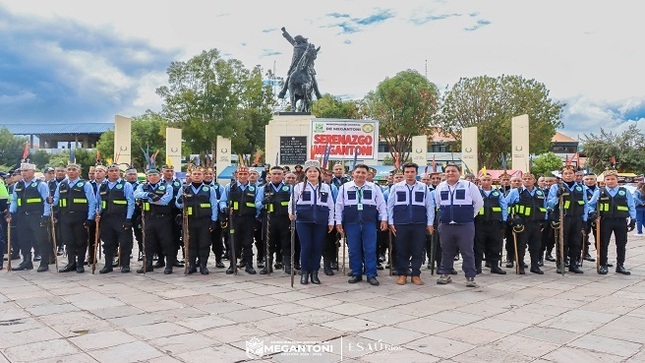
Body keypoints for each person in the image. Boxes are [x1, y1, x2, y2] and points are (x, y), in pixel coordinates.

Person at [336, 164, 387, 286]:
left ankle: (371, 274)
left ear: (367, 174)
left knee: (370, 249)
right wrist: (338, 221)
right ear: (353, 173)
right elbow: (339, 206)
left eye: (363, 173)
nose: (360, 175)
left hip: (369, 222)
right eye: (358, 172)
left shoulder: (374, 187)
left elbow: (381, 205)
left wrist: (384, 219)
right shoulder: (345, 187)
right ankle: (356, 273)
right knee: (354, 249)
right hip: (351, 222)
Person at [433, 164, 483, 287]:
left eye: (453, 171)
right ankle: (445, 274)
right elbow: (439, 204)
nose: (450, 173)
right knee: (446, 251)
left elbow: (479, 203)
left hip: (465, 225)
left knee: (467, 251)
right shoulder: (440, 187)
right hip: (446, 225)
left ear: (459, 172)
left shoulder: (469, 186)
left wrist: (469, 216)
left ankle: (470, 276)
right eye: (448, 171)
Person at [388, 162, 435, 285]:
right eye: (407, 172)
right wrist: (391, 222)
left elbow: (430, 206)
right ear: (403, 173)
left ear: (416, 173)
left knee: (417, 250)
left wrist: (429, 223)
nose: (409, 174)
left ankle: (415, 274)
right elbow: (390, 206)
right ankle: (402, 274)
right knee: (401, 249)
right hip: (401, 223)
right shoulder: (396, 187)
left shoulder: (423, 187)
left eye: (412, 172)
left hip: (419, 223)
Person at [289, 160, 334, 285]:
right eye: (310, 171)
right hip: (303, 221)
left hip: (321, 221)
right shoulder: (298, 187)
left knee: (317, 247)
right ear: (306, 173)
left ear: (319, 173)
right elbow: (292, 202)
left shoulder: (326, 187)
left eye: (315, 171)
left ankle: (314, 272)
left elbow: (331, 205)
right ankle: (304, 272)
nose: (313, 173)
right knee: (306, 246)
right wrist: (291, 212)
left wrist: (331, 221)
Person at [587, 170, 636, 275]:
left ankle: (620, 265)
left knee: (621, 244)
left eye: (613, 179)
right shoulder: (599, 192)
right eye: (608, 179)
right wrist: (592, 213)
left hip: (621, 221)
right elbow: (590, 205)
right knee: (603, 243)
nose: (610, 181)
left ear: (617, 180)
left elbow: (631, 206)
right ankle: (603, 264)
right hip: (605, 221)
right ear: (604, 181)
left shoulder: (625, 191)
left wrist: (633, 219)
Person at [53, 163, 97, 273]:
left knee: (81, 241)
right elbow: (56, 200)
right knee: (68, 241)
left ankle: (80, 264)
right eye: (69, 169)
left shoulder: (85, 184)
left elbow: (92, 202)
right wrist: (50, 202)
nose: (71, 171)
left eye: (74, 169)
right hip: (65, 217)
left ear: (79, 172)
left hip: (80, 217)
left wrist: (90, 218)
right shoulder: (62, 185)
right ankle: (71, 263)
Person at [6, 162, 50, 271]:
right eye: (22, 171)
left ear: (33, 171)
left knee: (41, 240)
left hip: (36, 215)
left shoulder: (41, 184)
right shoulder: (18, 185)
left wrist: (46, 215)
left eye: (26, 171)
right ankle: (26, 261)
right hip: (22, 216)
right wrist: (11, 212)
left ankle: (44, 262)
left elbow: (47, 202)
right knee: (23, 239)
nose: (23, 173)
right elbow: (14, 200)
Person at [219, 166, 263, 275]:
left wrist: (257, 218)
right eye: (240, 174)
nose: (242, 176)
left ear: (248, 175)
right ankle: (232, 265)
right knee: (233, 242)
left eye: (245, 174)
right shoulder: (230, 187)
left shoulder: (255, 188)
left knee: (248, 243)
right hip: (234, 219)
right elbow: (223, 201)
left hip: (249, 219)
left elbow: (258, 203)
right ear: (236, 176)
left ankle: (249, 265)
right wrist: (224, 208)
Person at [175, 166, 218, 275]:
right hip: (189, 221)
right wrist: (181, 200)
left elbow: (214, 205)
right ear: (191, 176)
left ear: (203, 176)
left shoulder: (209, 189)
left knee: (204, 243)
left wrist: (214, 221)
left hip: (204, 221)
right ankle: (192, 265)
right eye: (195, 174)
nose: (197, 176)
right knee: (190, 243)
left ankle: (203, 265)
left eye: (199, 174)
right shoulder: (184, 188)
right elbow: (178, 204)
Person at [547, 166, 587, 274]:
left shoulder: (581, 187)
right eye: (566, 174)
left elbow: (585, 203)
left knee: (576, 242)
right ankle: (561, 263)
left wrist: (585, 219)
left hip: (577, 217)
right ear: (562, 175)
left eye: (570, 173)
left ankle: (573, 264)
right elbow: (549, 203)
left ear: (575, 175)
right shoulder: (556, 187)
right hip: (562, 217)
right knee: (562, 241)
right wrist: (557, 196)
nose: (568, 175)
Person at [133, 169, 175, 274]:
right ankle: (148, 264)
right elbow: (136, 194)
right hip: (148, 218)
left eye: (155, 175)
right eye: (150, 175)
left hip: (163, 219)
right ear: (147, 177)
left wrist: (147, 200)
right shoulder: (143, 187)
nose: (152, 177)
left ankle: (169, 265)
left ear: (160, 175)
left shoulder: (167, 186)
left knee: (166, 242)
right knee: (148, 242)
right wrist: (149, 195)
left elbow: (165, 201)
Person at [96, 164, 135, 273]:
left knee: (124, 243)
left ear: (119, 172)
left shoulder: (126, 185)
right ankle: (108, 265)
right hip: (106, 219)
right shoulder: (102, 186)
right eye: (111, 171)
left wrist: (128, 219)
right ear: (107, 173)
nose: (114, 173)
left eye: (116, 171)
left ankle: (125, 264)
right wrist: (98, 213)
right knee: (108, 243)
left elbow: (130, 203)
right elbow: (99, 202)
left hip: (121, 218)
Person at [505, 173, 547, 274]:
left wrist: (545, 220)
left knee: (536, 246)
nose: (527, 180)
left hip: (536, 223)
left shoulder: (540, 192)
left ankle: (535, 266)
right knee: (521, 245)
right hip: (522, 223)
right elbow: (506, 205)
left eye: (529, 179)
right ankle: (520, 265)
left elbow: (544, 207)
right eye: (525, 179)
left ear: (534, 180)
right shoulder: (515, 192)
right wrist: (512, 219)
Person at [258, 166, 293, 274]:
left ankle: (287, 265)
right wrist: (264, 202)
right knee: (268, 242)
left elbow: (294, 204)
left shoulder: (289, 188)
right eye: (274, 174)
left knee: (286, 242)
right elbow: (256, 204)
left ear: (283, 175)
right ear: (270, 175)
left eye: (279, 174)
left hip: (285, 219)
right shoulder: (263, 188)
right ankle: (268, 265)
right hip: (269, 219)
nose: (276, 176)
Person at [475, 173, 507, 275]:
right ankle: (477, 267)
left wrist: (504, 220)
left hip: (495, 224)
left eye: (488, 180)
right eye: (484, 180)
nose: (486, 182)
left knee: (495, 246)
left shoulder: (498, 193)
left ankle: (494, 266)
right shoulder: (476, 192)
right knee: (478, 246)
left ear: (492, 181)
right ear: (480, 181)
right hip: (479, 223)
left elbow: (504, 206)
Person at [278, 27, 322, 100]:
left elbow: (311, 52)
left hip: (305, 64)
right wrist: (285, 32)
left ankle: (317, 93)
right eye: (295, 40)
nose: (295, 41)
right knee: (290, 76)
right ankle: (283, 91)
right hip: (295, 64)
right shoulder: (295, 44)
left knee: (312, 77)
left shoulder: (307, 46)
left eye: (296, 40)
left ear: (300, 40)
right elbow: (290, 39)